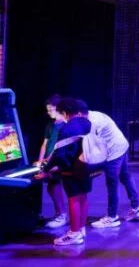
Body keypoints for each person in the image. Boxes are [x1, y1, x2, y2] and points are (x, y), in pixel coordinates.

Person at [37, 98, 93, 246]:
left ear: (65, 112)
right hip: (88, 165)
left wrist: (47, 171)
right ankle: (81, 229)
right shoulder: (87, 123)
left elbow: (60, 155)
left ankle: (74, 233)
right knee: (83, 197)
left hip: (72, 168)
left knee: (74, 199)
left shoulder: (67, 128)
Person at [84, 102, 139, 230]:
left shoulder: (92, 123)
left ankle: (112, 217)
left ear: (78, 114)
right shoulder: (95, 114)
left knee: (112, 183)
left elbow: (93, 146)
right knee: (126, 177)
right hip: (122, 145)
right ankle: (136, 207)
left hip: (114, 152)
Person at [36, 95, 69, 229]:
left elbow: (59, 147)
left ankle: (62, 214)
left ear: (59, 109)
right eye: (47, 110)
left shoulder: (65, 126)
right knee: (51, 187)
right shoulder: (50, 125)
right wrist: (40, 160)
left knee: (54, 186)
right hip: (48, 161)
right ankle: (59, 213)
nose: (49, 112)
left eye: (51, 110)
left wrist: (48, 161)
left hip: (57, 161)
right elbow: (45, 144)